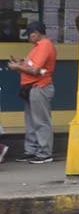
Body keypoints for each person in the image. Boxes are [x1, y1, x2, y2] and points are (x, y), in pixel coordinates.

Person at [8, 21, 56, 164]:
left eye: (29, 35)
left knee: (41, 122)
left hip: (40, 86)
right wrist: (20, 63)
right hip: (31, 88)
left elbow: (36, 71)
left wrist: (17, 67)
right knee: (31, 122)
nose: (28, 38)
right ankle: (32, 150)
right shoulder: (37, 47)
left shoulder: (45, 45)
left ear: (35, 33)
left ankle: (44, 153)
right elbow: (33, 66)